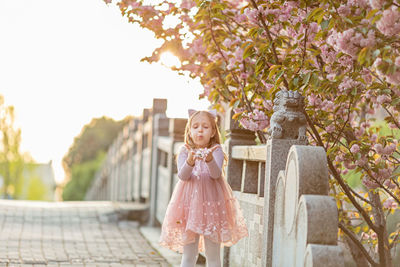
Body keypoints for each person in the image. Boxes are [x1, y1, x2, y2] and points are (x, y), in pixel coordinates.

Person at [159, 109, 248, 267]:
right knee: (189, 254)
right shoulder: (185, 151)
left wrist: (209, 160)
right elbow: (183, 176)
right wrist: (190, 162)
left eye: (205, 127)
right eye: (196, 126)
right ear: (190, 130)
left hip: (212, 208)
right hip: (188, 208)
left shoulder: (217, 151)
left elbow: (215, 174)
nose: (200, 130)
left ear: (213, 131)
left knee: (212, 255)